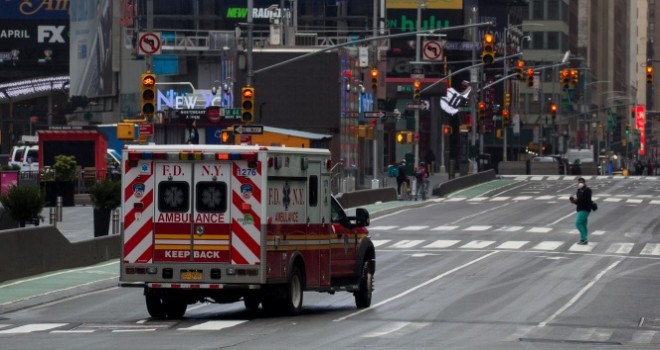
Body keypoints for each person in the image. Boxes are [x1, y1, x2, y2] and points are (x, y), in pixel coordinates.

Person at [570, 177, 592, 245]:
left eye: (582, 182)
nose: (580, 183)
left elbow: (585, 200)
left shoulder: (587, 190)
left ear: (584, 183)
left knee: (578, 223)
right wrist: (573, 201)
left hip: (585, 209)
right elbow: (579, 201)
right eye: (579, 182)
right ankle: (584, 239)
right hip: (580, 208)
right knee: (583, 224)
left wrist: (577, 199)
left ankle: (584, 239)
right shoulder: (579, 190)